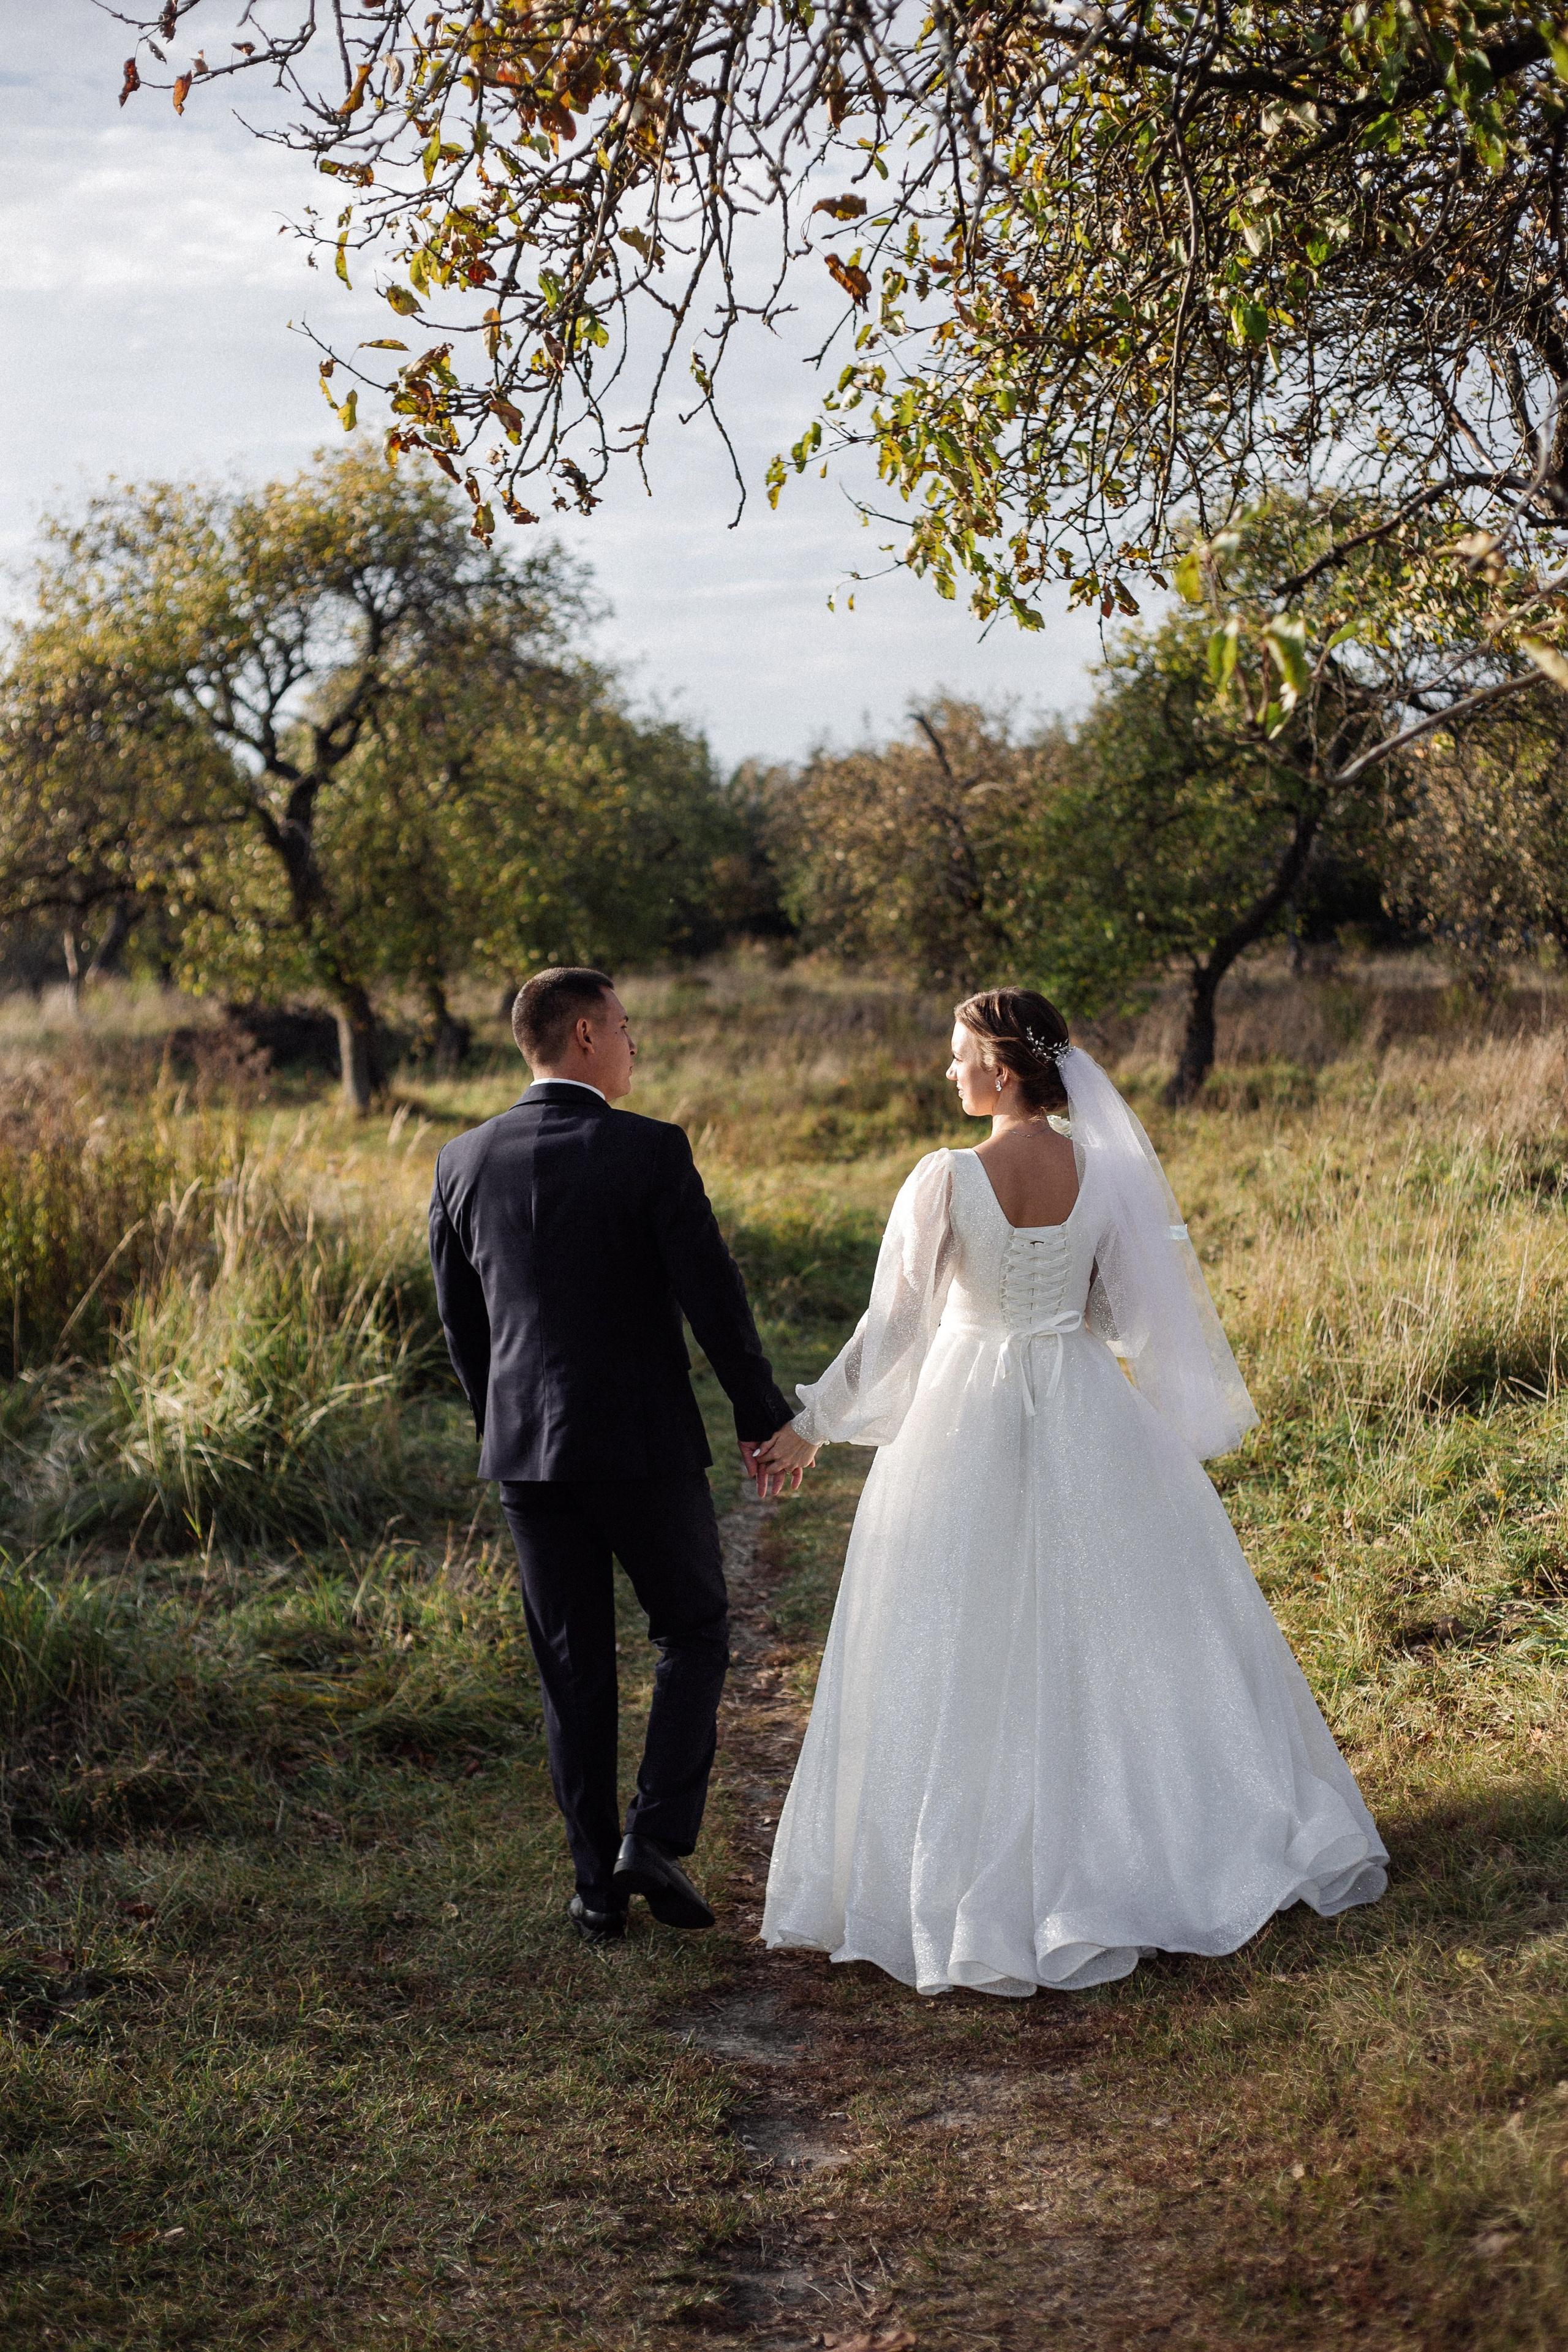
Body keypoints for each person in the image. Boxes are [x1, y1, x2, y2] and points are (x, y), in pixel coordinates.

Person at [756, 987, 1387, 1996]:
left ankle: (971, 1871)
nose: (948, 1070)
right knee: (1107, 1631)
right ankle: (1139, 1842)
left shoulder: (945, 1179)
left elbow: (894, 1331)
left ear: (1002, 1072)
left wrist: (808, 1428)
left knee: (961, 1631)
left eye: (959, 1054)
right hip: (1088, 1404)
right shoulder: (1105, 1174)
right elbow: (1131, 1317)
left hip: (965, 1416)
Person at [428, 967, 804, 1943]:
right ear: (587, 1034)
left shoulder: (462, 1160)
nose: (637, 1046)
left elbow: (460, 1325)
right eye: (629, 1028)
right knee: (694, 1628)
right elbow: (714, 1302)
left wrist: (502, 1423)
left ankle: (597, 1890)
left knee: (574, 1670)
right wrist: (763, 1416)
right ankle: (657, 1836)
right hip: (642, 1447)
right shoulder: (650, 1151)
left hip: (527, 1462)